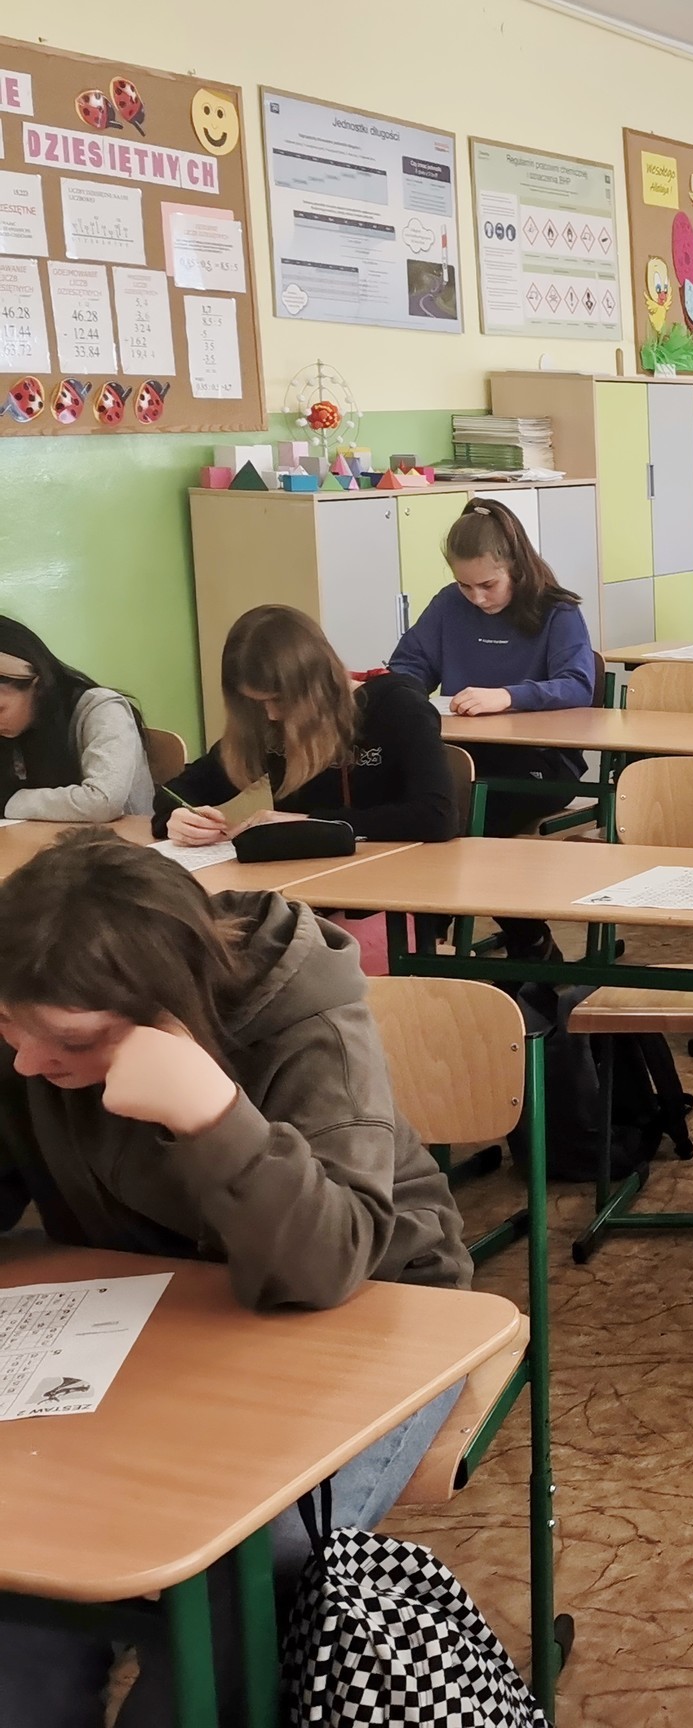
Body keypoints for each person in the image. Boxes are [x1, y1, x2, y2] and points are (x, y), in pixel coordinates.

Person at [0, 830, 469, 1726]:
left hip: (376, 1318)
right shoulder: (33, 1015)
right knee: (20, 1591)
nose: (26, 1060)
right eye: (7, 1027)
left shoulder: (305, 1018)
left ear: (170, 1011)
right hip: (148, 1320)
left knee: (244, 1579)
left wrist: (212, 1115)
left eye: (68, 1040)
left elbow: (329, 1264)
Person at [158, 605, 456, 847]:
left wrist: (312, 822)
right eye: (257, 703)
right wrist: (180, 817)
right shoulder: (265, 723)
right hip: (302, 881)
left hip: (391, 882)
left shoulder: (397, 707)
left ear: (315, 684)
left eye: (279, 700)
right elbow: (177, 792)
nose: (271, 715)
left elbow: (437, 816)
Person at [387, 497, 599, 834]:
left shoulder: (558, 611)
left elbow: (577, 685)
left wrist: (507, 697)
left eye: (488, 585)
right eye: (464, 585)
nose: (477, 598)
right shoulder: (449, 604)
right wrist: (402, 694)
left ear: (515, 567)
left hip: (538, 759)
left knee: (468, 811)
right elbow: (409, 665)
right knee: (392, 791)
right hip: (464, 749)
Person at [0, 616, 150, 823]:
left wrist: (8, 801)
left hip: (123, 839)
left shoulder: (102, 708)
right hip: (45, 836)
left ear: (37, 685)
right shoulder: (19, 726)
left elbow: (102, 802)